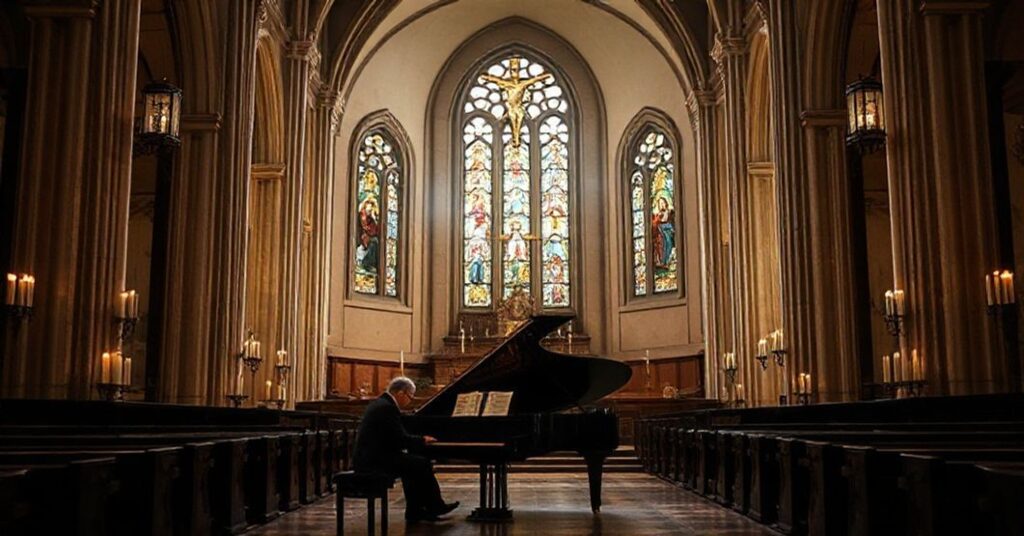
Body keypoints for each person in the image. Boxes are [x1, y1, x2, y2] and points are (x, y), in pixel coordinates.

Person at [352, 377, 459, 522]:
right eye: (410, 396)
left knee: (413, 465)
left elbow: (395, 437)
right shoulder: (387, 408)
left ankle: (416, 511)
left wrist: (415, 442)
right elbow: (399, 439)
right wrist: (422, 440)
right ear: (401, 393)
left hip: (371, 457)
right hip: (374, 461)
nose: (410, 400)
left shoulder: (381, 404)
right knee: (421, 464)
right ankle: (434, 506)